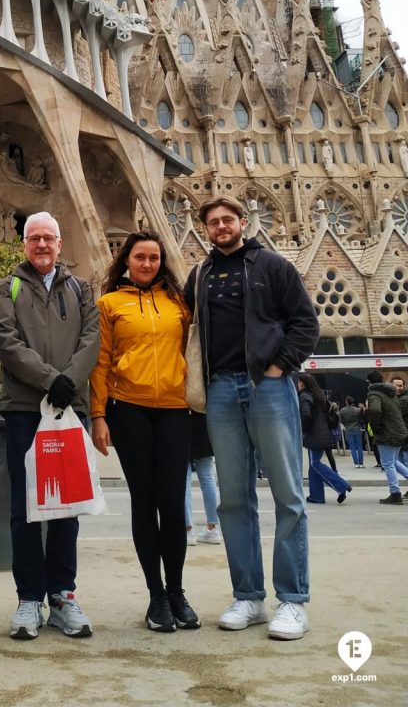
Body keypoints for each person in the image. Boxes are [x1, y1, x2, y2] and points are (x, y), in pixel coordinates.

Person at [183, 197, 319, 641]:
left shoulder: (273, 266)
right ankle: (249, 596)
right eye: (212, 222)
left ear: (243, 222)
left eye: (227, 220)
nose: (220, 226)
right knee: (233, 500)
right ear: (205, 229)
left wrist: (278, 368)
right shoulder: (199, 275)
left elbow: (305, 323)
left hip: (267, 387)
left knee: (287, 494)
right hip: (220, 388)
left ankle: (293, 601)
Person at [0, 212, 99, 641]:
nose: (41, 245)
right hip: (25, 408)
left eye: (48, 238)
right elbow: (6, 339)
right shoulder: (8, 287)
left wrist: (69, 380)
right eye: (34, 238)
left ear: (60, 243)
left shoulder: (79, 288)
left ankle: (62, 596)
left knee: (67, 506)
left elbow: (92, 338)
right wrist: (51, 380)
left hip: (69, 410)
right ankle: (29, 598)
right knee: (25, 509)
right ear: (24, 245)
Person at [92, 230, 200, 632]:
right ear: (126, 261)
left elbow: (193, 348)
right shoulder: (108, 304)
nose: (148, 264)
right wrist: (98, 415)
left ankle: (177, 592)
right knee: (144, 501)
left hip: (174, 408)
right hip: (129, 409)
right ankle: (155, 595)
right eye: (140, 257)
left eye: (154, 258)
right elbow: (100, 363)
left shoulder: (178, 303)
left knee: (173, 504)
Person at [297, 375, 351, 505]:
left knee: (315, 464)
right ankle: (316, 496)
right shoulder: (319, 396)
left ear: (303, 384)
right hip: (323, 433)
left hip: (314, 435)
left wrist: (303, 430)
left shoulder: (304, 396)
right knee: (313, 465)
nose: (297, 384)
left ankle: (341, 485)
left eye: (299, 382)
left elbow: (306, 415)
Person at [366, 370, 408, 504]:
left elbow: (376, 410)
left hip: (386, 432)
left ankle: (395, 493)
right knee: (394, 461)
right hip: (398, 431)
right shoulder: (391, 393)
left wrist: (375, 427)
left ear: (369, 382)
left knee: (388, 463)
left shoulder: (374, 393)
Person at [186, 413, 221, 547]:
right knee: (208, 477)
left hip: (183, 419)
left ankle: (188, 530)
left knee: (184, 480)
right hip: (203, 421)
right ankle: (212, 528)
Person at [339, 396, 364, 468]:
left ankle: (356, 463)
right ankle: (361, 463)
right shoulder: (358, 410)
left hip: (349, 429)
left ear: (346, 401)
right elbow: (361, 418)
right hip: (357, 428)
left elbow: (341, 421)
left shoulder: (342, 410)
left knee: (352, 447)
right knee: (359, 446)